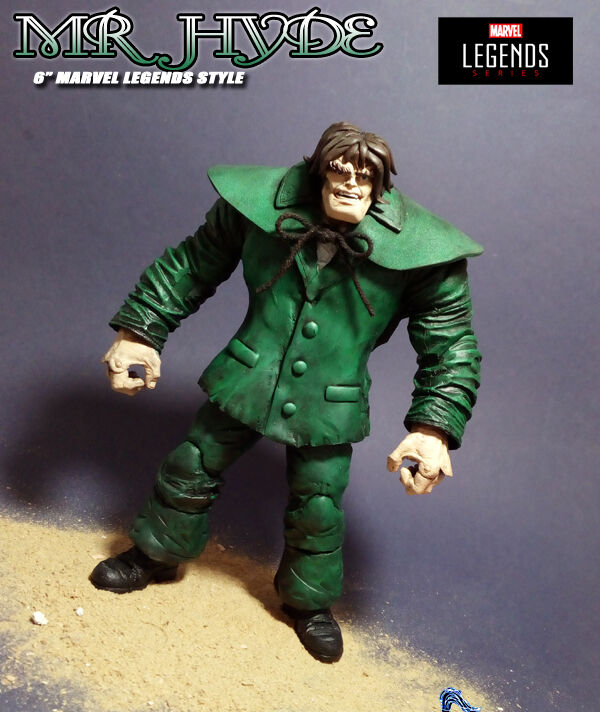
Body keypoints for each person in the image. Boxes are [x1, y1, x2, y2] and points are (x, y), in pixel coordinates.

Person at [90, 122, 482, 663]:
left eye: (364, 176)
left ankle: (309, 602)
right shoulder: (259, 206)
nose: (350, 184)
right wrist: (139, 332)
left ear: (380, 183)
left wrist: (433, 428)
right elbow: (192, 265)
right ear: (320, 171)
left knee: (318, 505)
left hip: (332, 400)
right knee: (192, 463)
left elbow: (451, 345)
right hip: (248, 374)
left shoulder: (423, 250)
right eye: (340, 171)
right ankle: (157, 552)